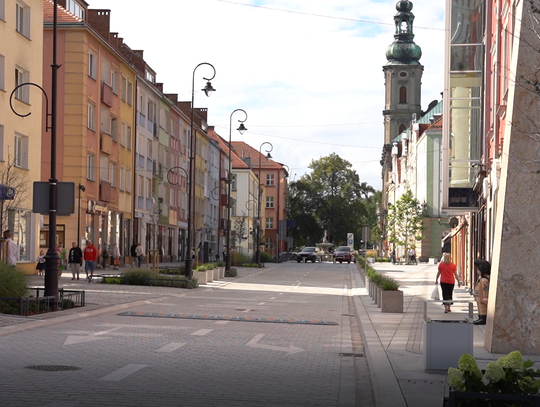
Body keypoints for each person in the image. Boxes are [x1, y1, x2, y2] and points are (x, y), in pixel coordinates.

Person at [473, 259, 491, 325]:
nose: (477, 271)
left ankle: (483, 318)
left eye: (478, 270)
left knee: (483, 308)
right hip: (479, 297)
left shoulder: (484, 280)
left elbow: (485, 289)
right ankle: (480, 317)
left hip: (482, 297)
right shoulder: (480, 279)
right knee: (480, 307)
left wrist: (485, 296)